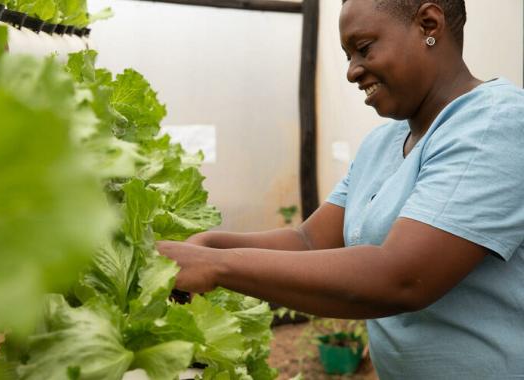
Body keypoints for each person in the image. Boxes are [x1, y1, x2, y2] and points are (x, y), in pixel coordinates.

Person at [156, 0, 524, 378]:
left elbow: (403, 277)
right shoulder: (382, 143)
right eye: (347, 56)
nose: (351, 72)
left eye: (363, 48)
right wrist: (209, 246)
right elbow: (309, 241)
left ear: (429, 24)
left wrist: (216, 266)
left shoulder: (493, 124)